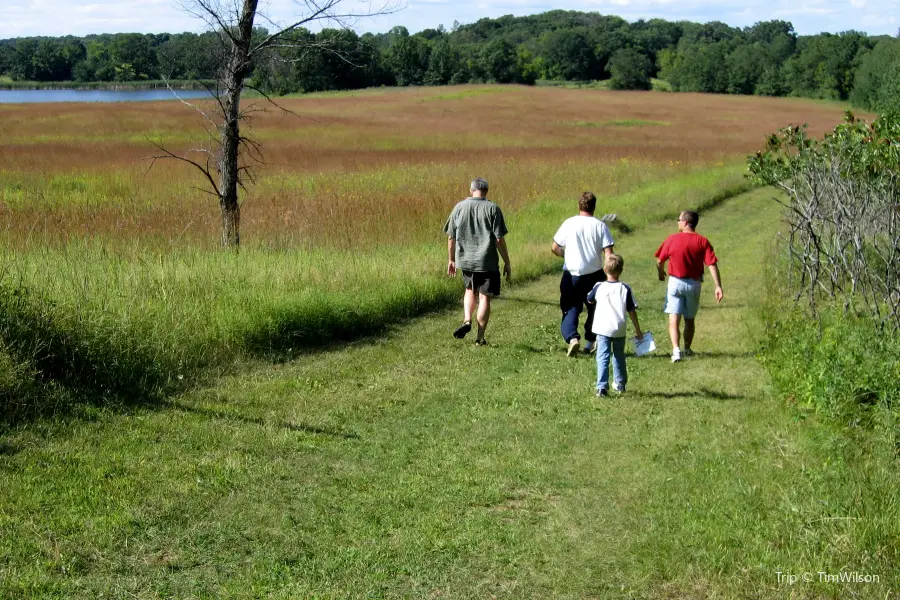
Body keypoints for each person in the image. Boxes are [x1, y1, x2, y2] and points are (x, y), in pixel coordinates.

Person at [443, 177, 511, 345]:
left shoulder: (459, 207)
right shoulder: (493, 208)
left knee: (469, 290)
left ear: (471, 190)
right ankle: (480, 338)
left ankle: (467, 320)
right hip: (487, 262)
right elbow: (499, 240)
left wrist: (451, 259)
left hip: (466, 260)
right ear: (486, 191)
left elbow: (451, 237)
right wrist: (507, 262)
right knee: (484, 298)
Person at [654, 210, 723, 363]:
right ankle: (687, 348)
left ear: (685, 222)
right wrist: (718, 286)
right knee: (689, 319)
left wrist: (660, 272)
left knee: (674, 319)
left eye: (679, 220)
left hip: (675, 283)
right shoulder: (702, 241)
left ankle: (675, 351)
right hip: (694, 284)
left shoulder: (672, 239)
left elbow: (659, 261)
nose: (677, 222)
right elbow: (711, 263)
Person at [551, 192, 615, 357]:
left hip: (571, 274)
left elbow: (555, 247)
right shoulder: (600, 226)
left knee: (571, 307)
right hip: (594, 274)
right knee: (595, 309)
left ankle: (572, 338)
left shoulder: (569, 223)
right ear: (594, 207)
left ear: (579, 205)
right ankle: (590, 342)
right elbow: (608, 252)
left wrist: (565, 255)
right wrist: (610, 275)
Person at [586, 254, 644, 397]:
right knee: (618, 355)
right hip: (618, 328)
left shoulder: (598, 286)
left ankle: (601, 387)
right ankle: (620, 383)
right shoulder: (625, 288)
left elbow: (589, 299)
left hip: (602, 328)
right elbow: (631, 311)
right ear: (621, 270)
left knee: (602, 356)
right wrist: (638, 330)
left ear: (605, 269)